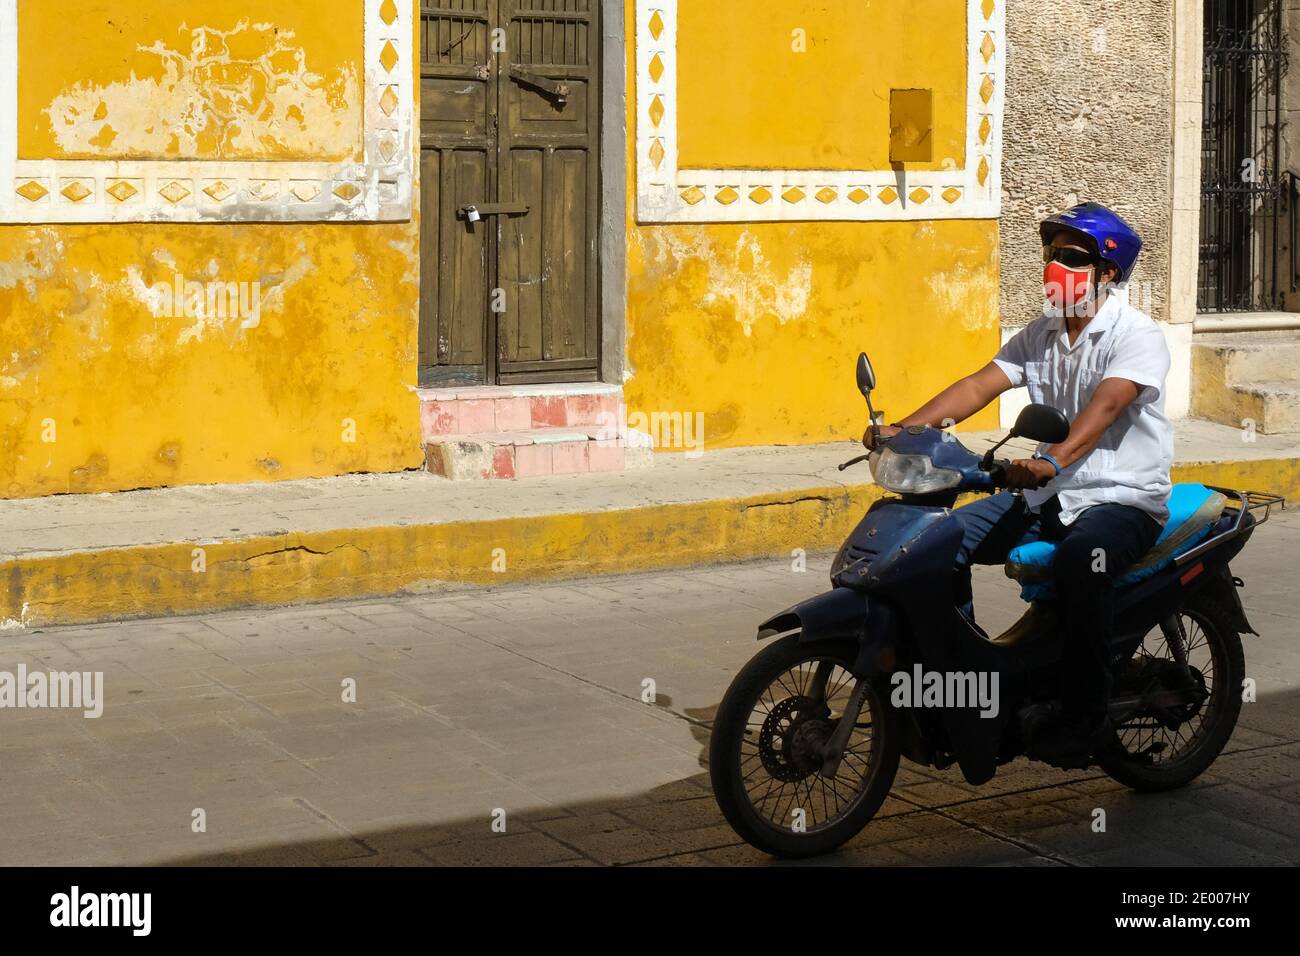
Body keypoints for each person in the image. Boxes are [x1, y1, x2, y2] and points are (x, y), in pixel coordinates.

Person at [865, 202, 1173, 767]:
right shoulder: (1041, 334)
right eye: (1052, 253)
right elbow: (979, 384)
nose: (1056, 265)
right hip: (1045, 496)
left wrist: (1052, 460)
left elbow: (1105, 407)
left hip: (1119, 498)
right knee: (935, 545)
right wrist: (902, 429)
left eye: (1073, 257)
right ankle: (966, 682)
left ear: (1108, 273)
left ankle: (1084, 719)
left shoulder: (1137, 336)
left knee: (1085, 563)